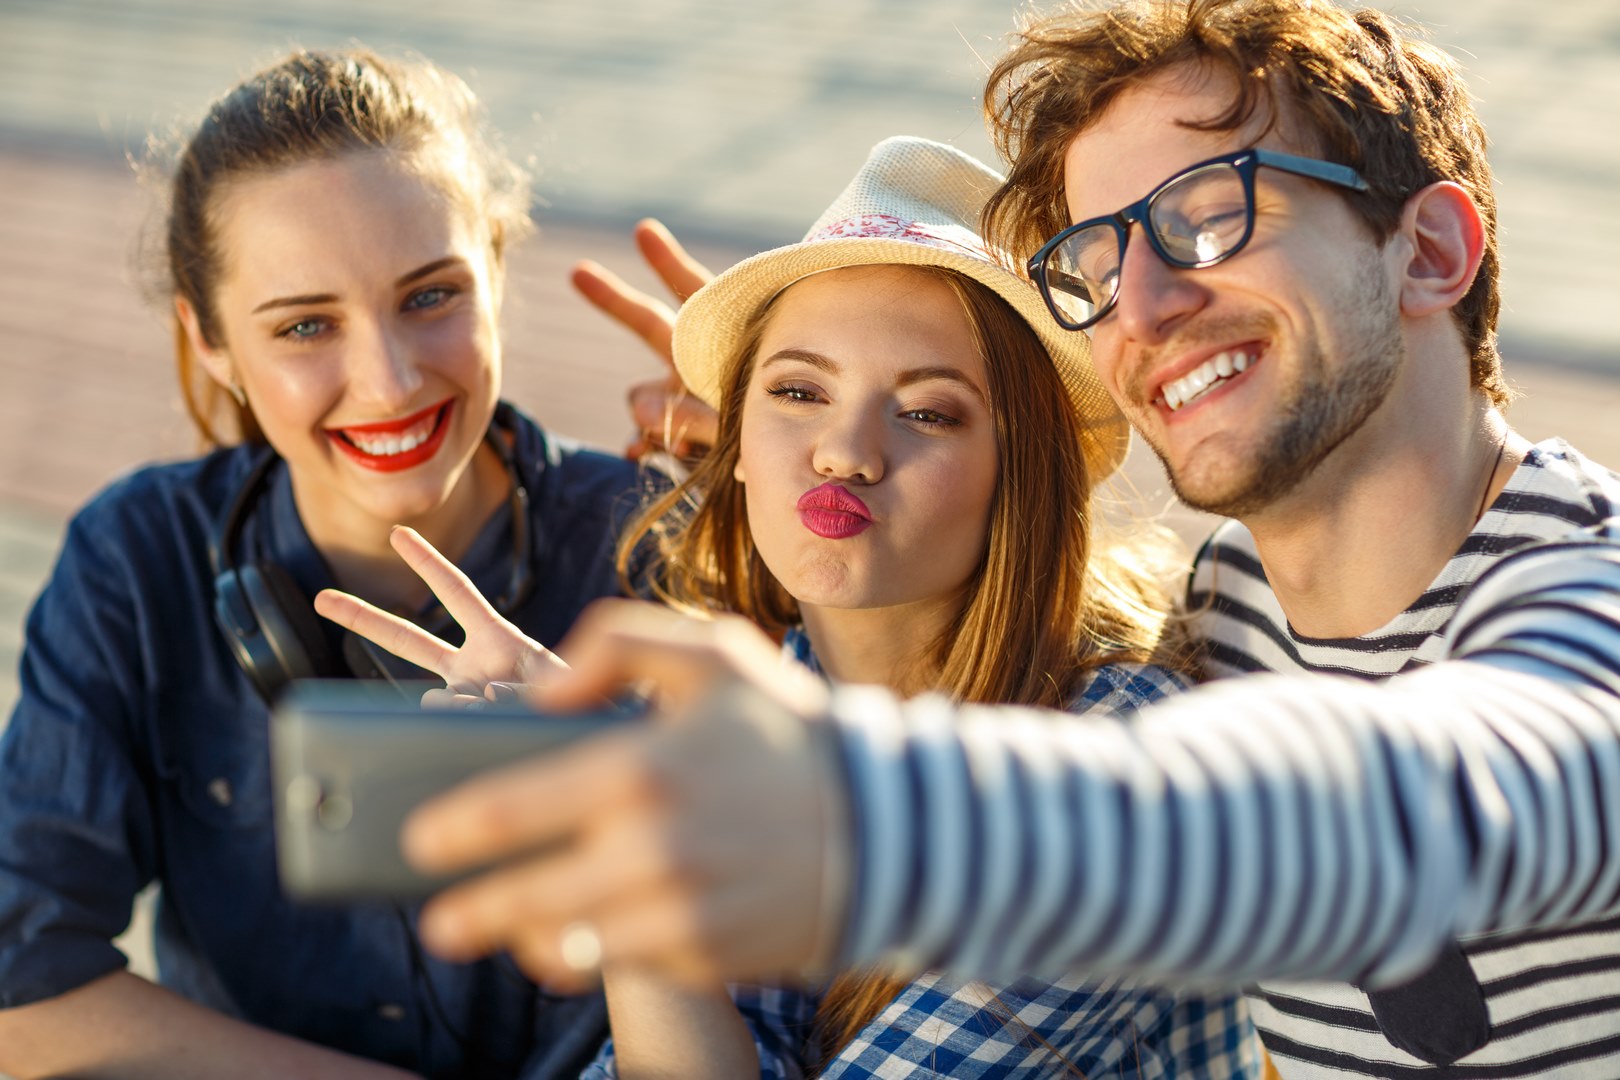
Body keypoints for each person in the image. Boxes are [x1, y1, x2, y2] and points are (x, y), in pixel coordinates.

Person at [382, 1, 1620, 1076]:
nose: (1142, 307)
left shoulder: (1586, 597)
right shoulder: (1233, 604)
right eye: (1098, 263)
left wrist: (842, 800)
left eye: (1212, 216)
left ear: (1431, 251)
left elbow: (1445, 787)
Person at [322, 135, 1261, 1078]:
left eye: (928, 412)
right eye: (799, 391)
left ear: (1022, 477)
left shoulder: (1116, 766)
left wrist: (630, 846)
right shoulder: (763, 705)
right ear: (733, 445)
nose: (844, 452)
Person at [0, 48, 645, 1079]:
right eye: (306, 325)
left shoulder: (654, 544)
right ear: (209, 340)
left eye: (431, 296)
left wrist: (784, 478)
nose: (389, 382)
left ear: (495, 268)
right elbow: (19, 988)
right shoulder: (138, 559)